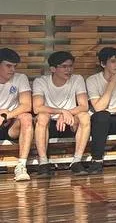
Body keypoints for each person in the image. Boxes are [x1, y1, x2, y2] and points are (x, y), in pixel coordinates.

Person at [31, 51, 91, 176]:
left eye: (70, 66)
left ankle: (77, 161)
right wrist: (61, 111)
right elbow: (37, 108)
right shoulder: (40, 81)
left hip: (71, 122)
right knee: (42, 117)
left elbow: (84, 106)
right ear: (53, 69)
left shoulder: (77, 79)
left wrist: (66, 114)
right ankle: (43, 163)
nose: (69, 70)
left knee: (85, 116)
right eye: (64, 66)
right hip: (49, 124)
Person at [0, 48, 33, 182]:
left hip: (10, 124)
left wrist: (6, 115)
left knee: (27, 117)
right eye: (8, 66)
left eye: (15, 66)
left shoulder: (20, 78)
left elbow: (26, 105)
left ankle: (21, 166)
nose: (12, 70)